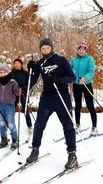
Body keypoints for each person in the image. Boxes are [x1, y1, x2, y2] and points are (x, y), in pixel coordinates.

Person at [26, 38, 77, 169]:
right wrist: (30, 71)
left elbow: (72, 77)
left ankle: (72, 154)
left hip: (62, 96)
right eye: (43, 48)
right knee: (39, 125)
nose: (45, 50)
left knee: (68, 126)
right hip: (47, 98)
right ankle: (35, 150)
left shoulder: (61, 60)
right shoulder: (39, 63)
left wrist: (59, 79)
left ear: (51, 48)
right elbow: (32, 81)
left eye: (47, 48)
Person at [69, 43, 97, 135]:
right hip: (77, 85)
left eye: (83, 49)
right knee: (77, 105)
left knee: (90, 106)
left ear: (85, 51)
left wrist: (85, 78)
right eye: (79, 49)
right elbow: (68, 68)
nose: (81, 51)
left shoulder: (89, 59)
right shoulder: (74, 60)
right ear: (77, 50)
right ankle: (77, 124)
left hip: (87, 85)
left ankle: (94, 127)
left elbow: (91, 71)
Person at [10, 56, 33, 135]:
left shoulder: (25, 73)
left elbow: (29, 83)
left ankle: (29, 125)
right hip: (13, 94)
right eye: (15, 63)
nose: (17, 64)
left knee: (25, 109)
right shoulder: (11, 73)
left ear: (21, 64)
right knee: (11, 110)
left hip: (23, 92)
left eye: (18, 63)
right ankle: (10, 125)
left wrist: (23, 88)